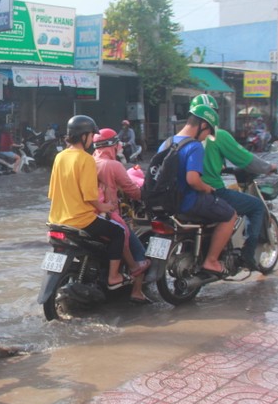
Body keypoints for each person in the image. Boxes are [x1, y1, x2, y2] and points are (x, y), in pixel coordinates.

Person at [194, 94, 277, 270]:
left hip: (188, 193)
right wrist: (268, 167)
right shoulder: (218, 135)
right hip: (212, 190)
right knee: (256, 207)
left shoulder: (182, 136)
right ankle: (247, 254)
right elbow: (245, 159)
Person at [48, 115, 129, 290]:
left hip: (56, 219)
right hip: (80, 220)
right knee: (118, 232)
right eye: (92, 136)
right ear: (84, 136)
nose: (92, 140)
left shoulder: (60, 157)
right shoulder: (85, 159)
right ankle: (114, 276)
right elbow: (90, 197)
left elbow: (53, 191)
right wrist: (105, 207)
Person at [161, 104, 236, 276]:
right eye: (208, 132)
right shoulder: (194, 146)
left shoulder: (167, 142)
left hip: (168, 202)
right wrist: (207, 188)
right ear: (203, 125)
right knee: (230, 215)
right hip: (187, 201)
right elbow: (193, 180)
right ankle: (211, 261)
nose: (205, 138)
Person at [92, 128, 151, 303]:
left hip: (85, 215)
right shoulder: (113, 165)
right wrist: (144, 195)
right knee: (139, 253)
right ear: (114, 145)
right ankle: (137, 291)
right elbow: (132, 190)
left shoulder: (87, 161)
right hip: (108, 215)